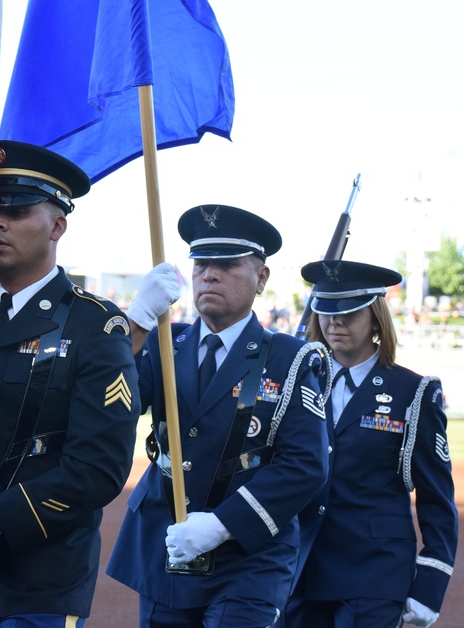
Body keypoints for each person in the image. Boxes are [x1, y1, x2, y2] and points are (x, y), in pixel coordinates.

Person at [0, 141, 141, 628]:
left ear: (57, 226)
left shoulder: (94, 327)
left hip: (37, 580)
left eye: (16, 211)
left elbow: (98, 467)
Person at [106, 204, 330, 628]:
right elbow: (114, 410)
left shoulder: (290, 360)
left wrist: (224, 524)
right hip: (168, 547)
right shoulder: (163, 346)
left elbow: (306, 465)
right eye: (201, 264)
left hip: (247, 557)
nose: (209, 274)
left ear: (261, 278)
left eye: (227, 264)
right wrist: (134, 326)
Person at [285, 260, 458, 628]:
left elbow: (436, 497)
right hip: (302, 567)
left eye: (349, 313)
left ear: (376, 317)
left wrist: (431, 582)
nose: (335, 323)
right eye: (327, 313)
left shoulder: (413, 392)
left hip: (374, 572)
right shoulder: (300, 383)